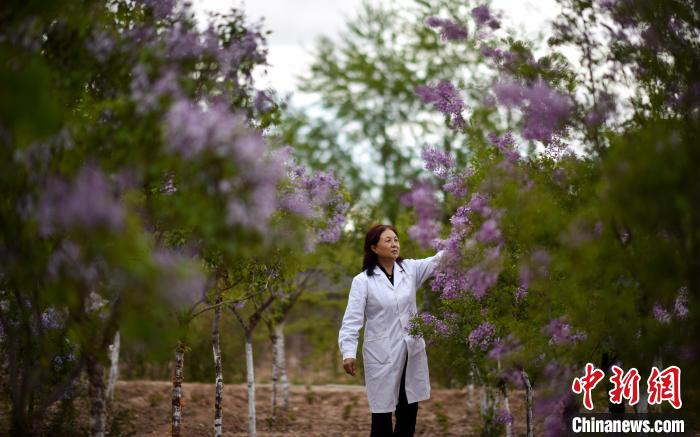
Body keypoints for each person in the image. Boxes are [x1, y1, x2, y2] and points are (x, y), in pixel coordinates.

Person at [338, 224, 443, 437]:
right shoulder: (362, 281)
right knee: (382, 418)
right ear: (374, 248)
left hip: (410, 351)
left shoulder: (410, 270)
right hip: (381, 354)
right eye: (388, 240)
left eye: (396, 239)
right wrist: (348, 353)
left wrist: (462, 236)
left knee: (408, 413)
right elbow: (351, 320)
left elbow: (439, 260)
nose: (394, 244)